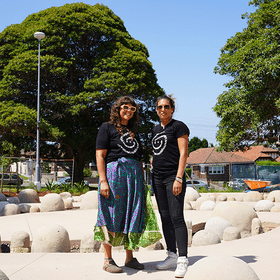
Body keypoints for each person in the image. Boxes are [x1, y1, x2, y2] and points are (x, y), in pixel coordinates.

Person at [94, 96, 162, 274]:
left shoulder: (134, 132)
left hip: (134, 177)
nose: (129, 111)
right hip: (114, 175)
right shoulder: (106, 128)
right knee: (110, 213)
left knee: (132, 214)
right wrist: (103, 181)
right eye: (126, 107)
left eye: (133, 109)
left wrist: (141, 182)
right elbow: (100, 155)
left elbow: (139, 159)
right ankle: (107, 259)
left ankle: (129, 257)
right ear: (117, 109)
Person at [151, 95, 190, 278]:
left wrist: (179, 178)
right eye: (159, 107)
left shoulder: (178, 126)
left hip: (172, 177)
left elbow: (183, 154)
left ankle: (182, 259)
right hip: (157, 178)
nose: (163, 109)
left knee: (176, 217)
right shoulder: (155, 128)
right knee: (164, 217)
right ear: (156, 109)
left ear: (172, 108)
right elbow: (158, 151)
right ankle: (171, 255)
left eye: (166, 106)